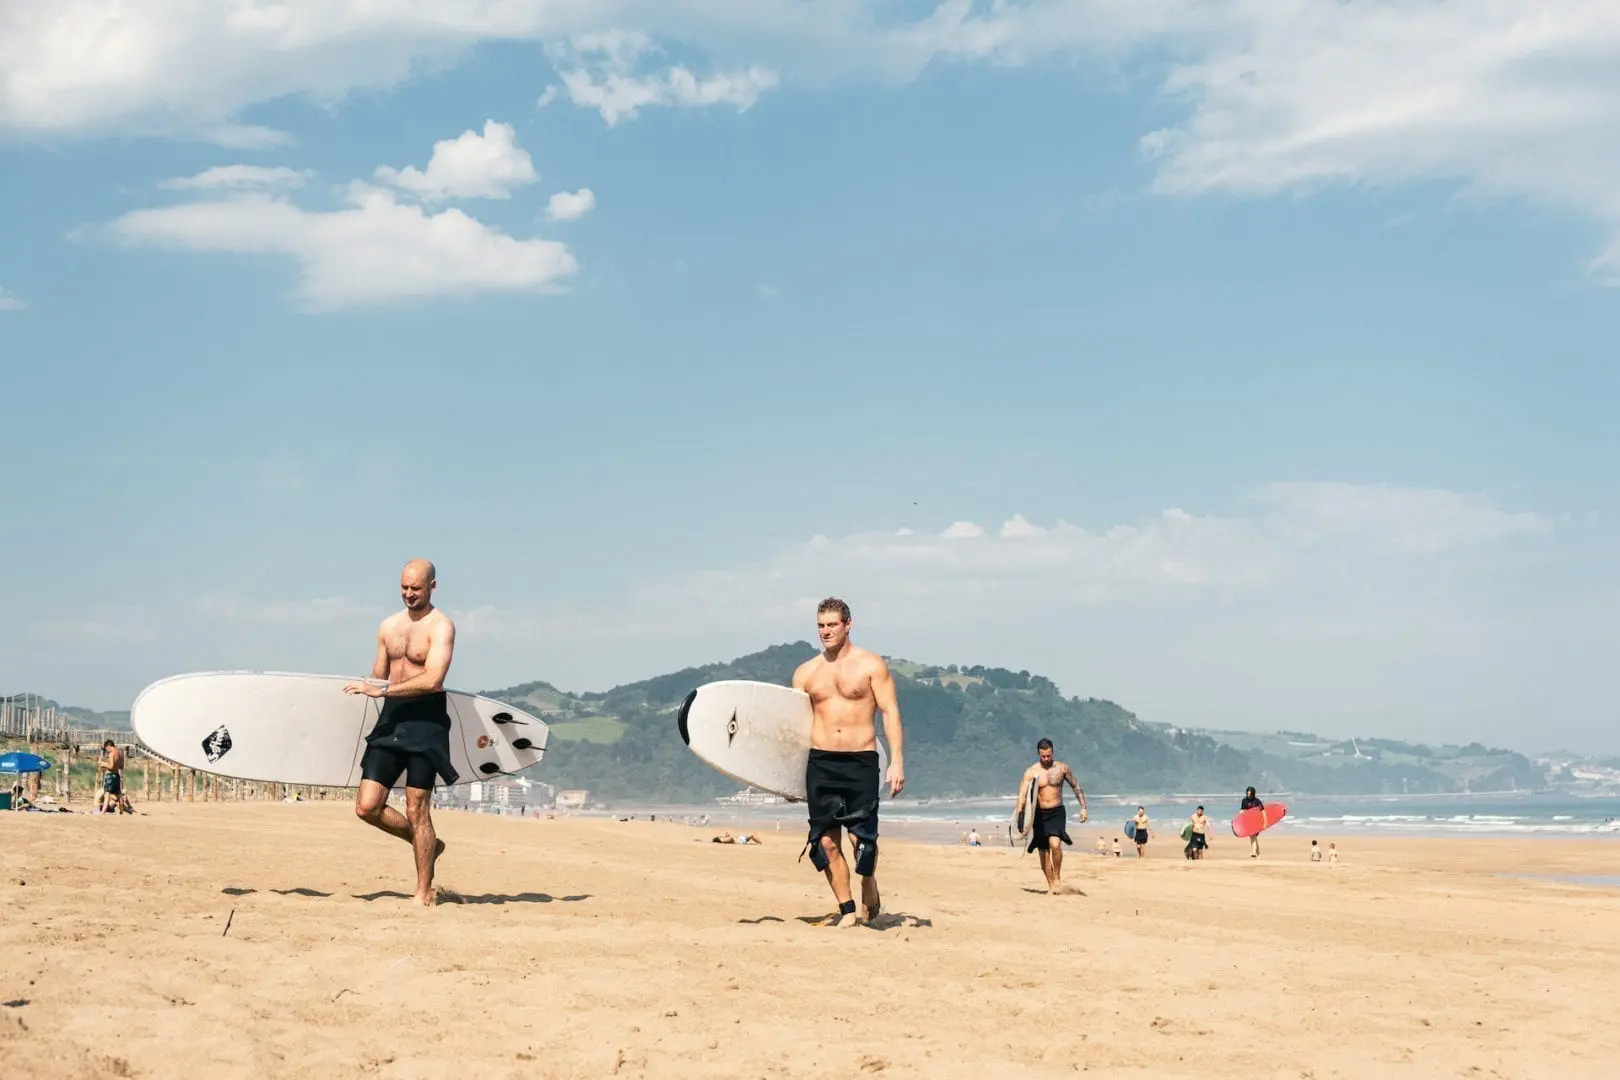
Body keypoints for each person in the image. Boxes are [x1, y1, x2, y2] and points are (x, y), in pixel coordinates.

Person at [343, 559, 458, 907]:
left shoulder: (441, 627)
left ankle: (423, 893)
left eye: (416, 589)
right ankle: (428, 845)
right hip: (391, 720)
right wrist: (368, 687)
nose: (409, 594)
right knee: (367, 807)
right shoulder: (388, 627)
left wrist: (384, 691)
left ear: (432, 587)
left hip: (426, 722)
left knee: (416, 810)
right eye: (404, 587)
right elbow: (379, 677)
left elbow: (433, 679)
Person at [791, 597, 906, 928]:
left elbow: (890, 713)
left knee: (862, 843)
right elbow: (792, 727)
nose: (825, 631)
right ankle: (847, 910)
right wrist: (786, 777)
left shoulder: (871, 665)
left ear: (848, 624)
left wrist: (896, 761)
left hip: (861, 760)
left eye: (832, 624)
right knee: (826, 842)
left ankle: (868, 880)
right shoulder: (805, 673)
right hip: (820, 761)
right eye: (820, 626)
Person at [1016, 738, 1088, 894]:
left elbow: (1076, 786)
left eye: (1049, 755)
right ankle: (1052, 886)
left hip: (1056, 812)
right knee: (1043, 853)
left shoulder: (1062, 768)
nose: (1046, 759)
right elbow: (1022, 795)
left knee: (1055, 845)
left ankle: (1057, 878)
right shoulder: (1031, 772)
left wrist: (1083, 808)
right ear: (1038, 754)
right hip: (1039, 815)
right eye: (1043, 756)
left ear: (1052, 752)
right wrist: (1021, 815)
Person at [96, 739, 124, 814]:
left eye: (106, 749)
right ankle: (121, 811)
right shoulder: (121, 753)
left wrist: (103, 764)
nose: (107, 751)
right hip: (117, 775)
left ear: (108, 746)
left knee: (107, 794)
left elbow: (111, 767)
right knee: (119, 794)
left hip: (110, 775)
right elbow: (121, 767)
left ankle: (103, 812)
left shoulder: (112, 753)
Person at [1240, 786, 1265, 858]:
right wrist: (1237, 818)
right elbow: (1242, 810)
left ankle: (1253, 853)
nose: (1248, 793)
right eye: (1247, 792)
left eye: (1249, 792)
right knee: (1253, 837)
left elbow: (1262, 811)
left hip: (1256, 821)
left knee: (1253, 836)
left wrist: (1264, 821)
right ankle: (1258, 854)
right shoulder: (1244, 800)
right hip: (1248, 821)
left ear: (1252, 793)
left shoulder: (1257, 801)